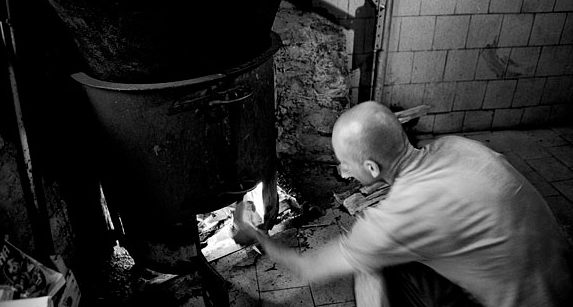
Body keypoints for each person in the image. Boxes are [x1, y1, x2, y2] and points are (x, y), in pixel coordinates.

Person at [233, 101, 573, 306]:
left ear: (371, 168)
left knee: (368, 263)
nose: (342, 171)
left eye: (345, 163)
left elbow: (306, 268)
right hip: (562, 282)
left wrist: (257, 235)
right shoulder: (456, 146)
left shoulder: (398, 219)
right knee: (379, 251)